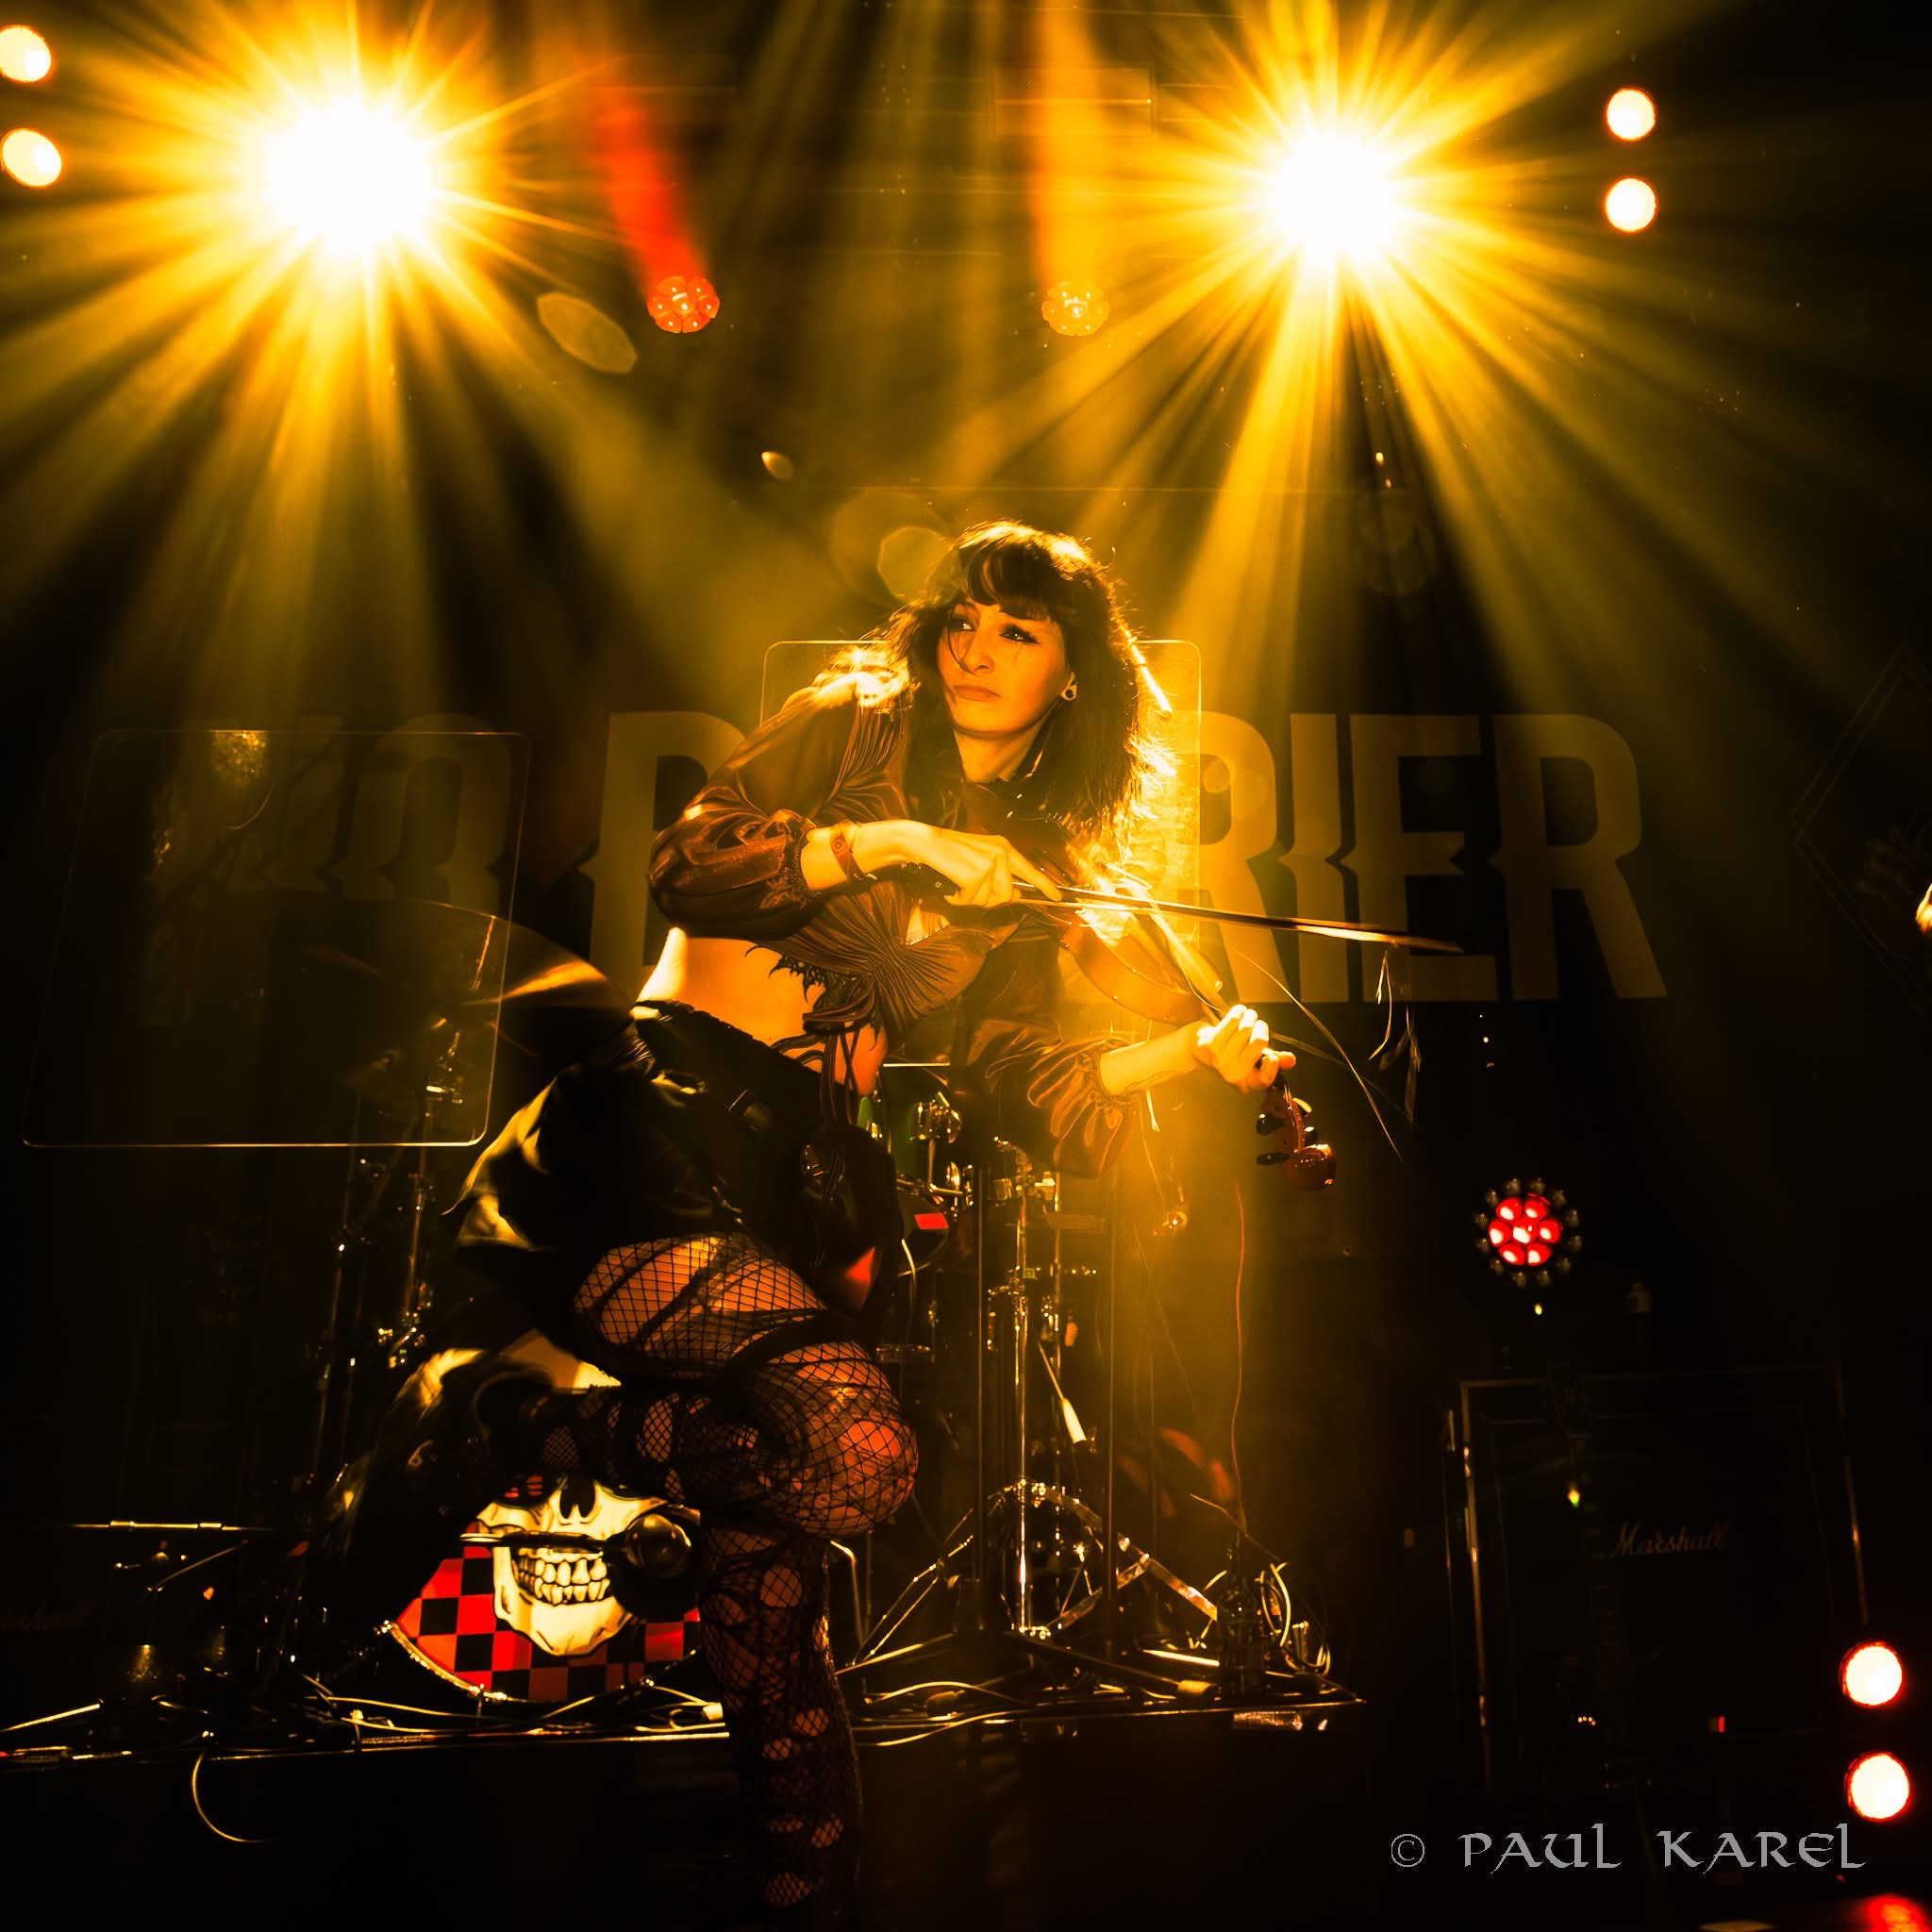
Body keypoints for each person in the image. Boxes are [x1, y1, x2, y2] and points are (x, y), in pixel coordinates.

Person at [313, 522, 1288, 1926]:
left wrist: (1190, 1058)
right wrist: (888, 840)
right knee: (857, 1444)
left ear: (1074, 673)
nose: (974, 646)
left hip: (811, 1180)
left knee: (774, 1608)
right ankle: (510, 1421)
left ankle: (805, 1900)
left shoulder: (1032, 863)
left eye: (1016, 630)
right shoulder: (856, 724)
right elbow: (689, 863)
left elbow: (1021, 1076)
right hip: (662, 1128)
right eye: (962, 618)